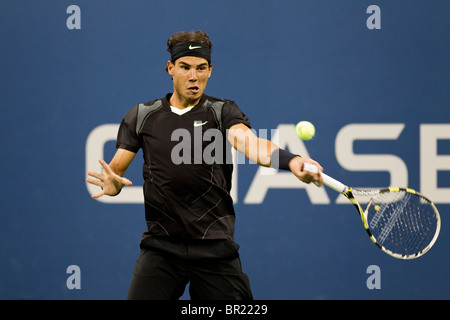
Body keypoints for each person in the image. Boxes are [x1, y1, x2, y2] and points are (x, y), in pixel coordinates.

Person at [86, 30, 323, 300]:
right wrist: (114, 184)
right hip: (161, 248)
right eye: (185, 68)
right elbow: (115, 171)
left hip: (214, 249)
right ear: (170, 68)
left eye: (201, 68)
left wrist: (291, 160)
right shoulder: (141, 116)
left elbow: (250, 144)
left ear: (210, 70)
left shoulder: (223, 112)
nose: (194, 76)